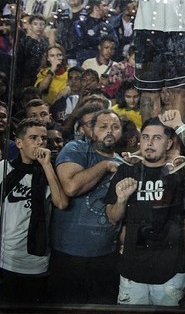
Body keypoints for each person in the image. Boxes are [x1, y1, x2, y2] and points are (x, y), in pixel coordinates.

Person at [105, 110, 185, 306]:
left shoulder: (175, 171)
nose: (149, 143)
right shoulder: (126, 171)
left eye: (156, 138)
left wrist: (179, 125)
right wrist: (121, 200)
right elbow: (112, 217)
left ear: (168, 143)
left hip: (170, 272)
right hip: (132, 271)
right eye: (145, 137)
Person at [48, 110, 123, 304]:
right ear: (91, 130)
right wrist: (105, 165)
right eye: (103, 127)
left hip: (106, 256)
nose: (110, 131)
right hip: (69, 255)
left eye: (115, 127)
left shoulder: (124, 163)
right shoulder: (76, 148)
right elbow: (71, 188)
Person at [0, 119, 68, 304]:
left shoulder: (50, 173)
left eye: (43, 139)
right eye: (33, 137)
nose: (40, 142)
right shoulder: (4, 169)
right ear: (19, 142)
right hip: (5, 259)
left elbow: (61, 203)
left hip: (36, 263)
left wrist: (46, 166)